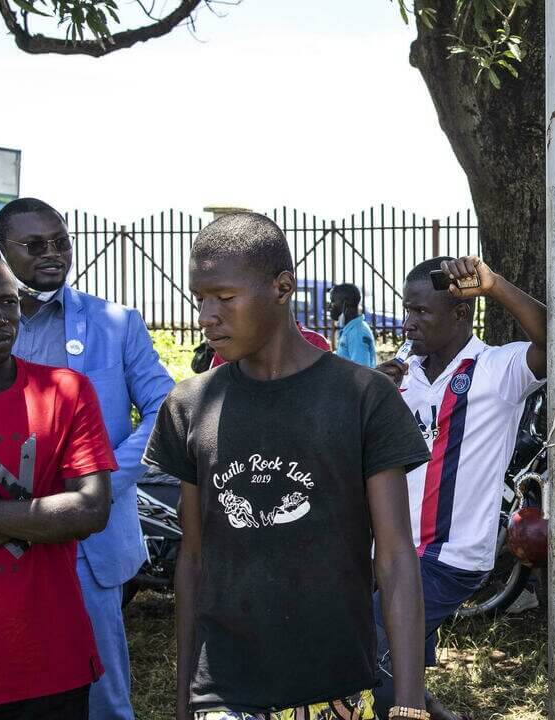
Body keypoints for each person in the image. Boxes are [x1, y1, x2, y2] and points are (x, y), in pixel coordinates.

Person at [142, 212, 431, 720]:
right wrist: (185, 700)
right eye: (200, 298)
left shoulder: (363, 398)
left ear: (282, 288)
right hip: (224, 694)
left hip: (334, 688)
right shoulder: (188, 406)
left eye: (224, 298)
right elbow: (192, 560)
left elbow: (394, 557)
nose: (207, 315)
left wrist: (408, 705)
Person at [0, 197, 174, 720]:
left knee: (101, 690)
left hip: (89, 538)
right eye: (35, 245)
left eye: (62, 242)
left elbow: (164, 405)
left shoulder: (116, 322)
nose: (53, 254)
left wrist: (103, 480)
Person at [374, 255, 546, 720]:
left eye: (421, 313)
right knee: (392, 664)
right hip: (390, 552)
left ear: (460, 313)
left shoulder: (496, 371)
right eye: (406, 311)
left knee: (371, 652)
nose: (409, 324)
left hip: (447, 558)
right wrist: (369, 399)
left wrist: (495, 286)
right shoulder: (399, 379)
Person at [0, 250, 115, 719]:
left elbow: (91, 513)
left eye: (7, 303)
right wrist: (47, 515)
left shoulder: (67, 391)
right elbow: (70, 513)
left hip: (51, 664)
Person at [330, 282, 379, 368]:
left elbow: (361, 372)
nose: (330, 306)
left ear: (345, 303)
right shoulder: (350, 330)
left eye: (333, 301)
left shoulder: (357, 333)